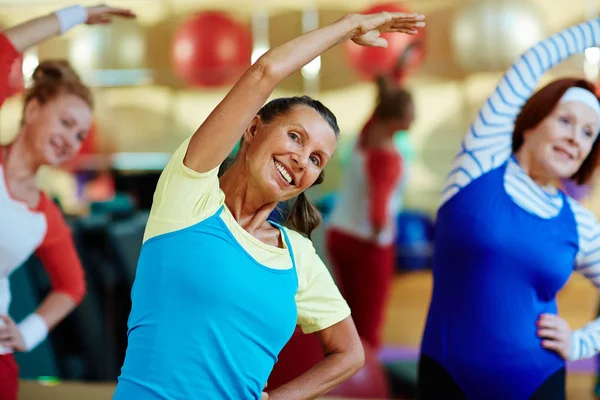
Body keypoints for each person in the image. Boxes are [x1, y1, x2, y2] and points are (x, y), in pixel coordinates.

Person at [113, 11, 425, 400]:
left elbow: (350, 354)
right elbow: (265, 72)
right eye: (295, 137)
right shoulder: (188, 195)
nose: (301, 159)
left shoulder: (298, 257)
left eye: (316, 160)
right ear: (253, 127)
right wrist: (346, 28)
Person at [418, 18, 600, 400]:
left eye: (588, 133)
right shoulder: (479, 164)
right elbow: (531, 64)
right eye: (565, 121)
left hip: (538, 382)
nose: (574, 138)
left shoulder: (579, 223)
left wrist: (581, 343)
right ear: (532, 123)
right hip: (447, 377)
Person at [0, 4, 134, 398]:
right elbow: (5, 48)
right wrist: (75, 15)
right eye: (66, 122)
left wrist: (28, 332)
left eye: (80, 134)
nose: (71, 140)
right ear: (34, 109)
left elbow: (72, 285)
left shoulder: (45, 217)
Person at [325, 75, 415, 350]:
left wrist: (397, 73)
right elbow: (378, 213)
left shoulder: (367, 134)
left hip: (339, 233)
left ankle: (342, 379)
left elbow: (384, 103)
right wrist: (380, 239)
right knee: (368, 328)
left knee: (347, 318)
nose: (415, 119)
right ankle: (368, 387)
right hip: (368, 244)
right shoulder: (387, 158)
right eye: (411, 114)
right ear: (395, 120)